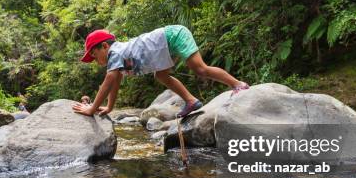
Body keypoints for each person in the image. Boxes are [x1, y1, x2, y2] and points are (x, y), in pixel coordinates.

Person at [72, 25, 249, 117]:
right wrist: (109, 107)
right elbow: (115, 82)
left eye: (95, 56)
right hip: (167, 42)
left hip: (174, 35)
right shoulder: (117, 58)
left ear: (104, 46)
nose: (96, 61)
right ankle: (191, 101)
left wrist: (92, 108)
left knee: (200, 68)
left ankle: (238, 85)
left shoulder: (115, 52)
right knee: (161, 75)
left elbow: (108, 82)